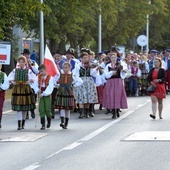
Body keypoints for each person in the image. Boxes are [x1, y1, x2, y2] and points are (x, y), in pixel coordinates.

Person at [8, 55, 37, 130]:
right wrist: (12, 82)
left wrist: (29, 81)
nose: (21, 63)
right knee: (19, 108)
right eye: (20, 62)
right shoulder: (15, 70)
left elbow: (34, 78)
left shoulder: (29, 70)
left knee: (24, 108)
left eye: (22, 62)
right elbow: (9, 77)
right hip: (17, 89)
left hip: (25, 89)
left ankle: (23, 123)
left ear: (25, 63)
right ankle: (19, 123)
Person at [55, 62, 83, 129]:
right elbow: (53, 80)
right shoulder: (60, 74)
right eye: (63, 67)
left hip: (69, 92)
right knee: (62, 107)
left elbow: (80, 81)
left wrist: (74, 85)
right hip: (61, 91)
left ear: (69, 68)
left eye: (66, 68)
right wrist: (57, 85)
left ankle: (66, 123)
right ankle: (62, 121)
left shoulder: (73, 75)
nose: (64, 69)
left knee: (67, 108)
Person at [103, 51, 128, 119]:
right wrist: (111, 72)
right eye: (112, 57)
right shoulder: (108, 66)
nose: (114, 59)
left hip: (118, 81)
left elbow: (123, 75)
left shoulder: (119, 65)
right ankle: (113, 111)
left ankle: (117, 110)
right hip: (110, 82)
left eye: (115, 57)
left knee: (117, 96)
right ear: (110, 58)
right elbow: (106, 75)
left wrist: (123, 71)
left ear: (117, 58)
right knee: (111, 96)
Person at [73, 52, 98, 118]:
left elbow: (93, 74)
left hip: (89, 82)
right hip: (81, 82)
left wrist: (96, 69)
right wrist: (77, 82)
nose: (86, 59)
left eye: (87, 58)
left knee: (87, 97)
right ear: (81, 59)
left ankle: (86, 112)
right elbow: (75, 74)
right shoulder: (78, 66)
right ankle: (81, 113)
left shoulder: (90, 66)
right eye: (84, 58)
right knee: (81, 97)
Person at [17, 49, 39, 119]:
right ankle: (25, 112)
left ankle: (32, 110)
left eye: (28, 55)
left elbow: (37, 71)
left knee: (32, 98)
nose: (27, 56)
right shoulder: (19, 63)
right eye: (25, 55)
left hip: (32, 83)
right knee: (24, 98)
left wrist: (31, 64)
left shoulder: (32, 62)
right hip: (23, 83)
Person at [37, 64, 54, 130]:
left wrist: (44, 94)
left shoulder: (50, 77)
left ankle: (49, 120)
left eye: (41, 71)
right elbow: (35, 84)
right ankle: (43, 124)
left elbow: (50, 88)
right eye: (40, 72)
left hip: (46, 95)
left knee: (47, 109)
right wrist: (38, 90)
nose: (40, 73)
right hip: (40, 94)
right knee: (41, 109)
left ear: (45, 70)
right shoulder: (38, 77)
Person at [0, 64, 9, 128]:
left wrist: (0, 85)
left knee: (0, 108)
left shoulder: (3, 75)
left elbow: (6, 85)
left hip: (0, 93)